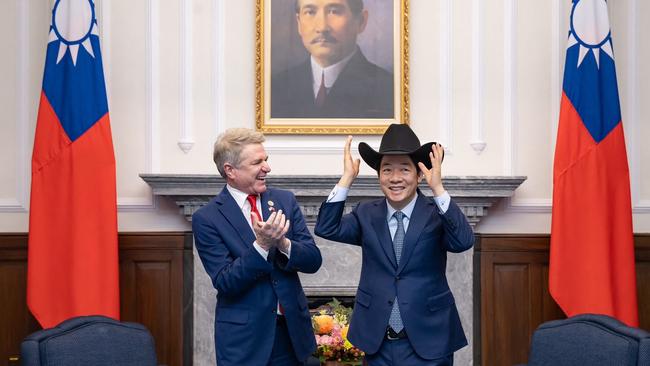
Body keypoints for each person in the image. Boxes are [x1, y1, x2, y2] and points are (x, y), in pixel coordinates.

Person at [314, 124, 474, 365]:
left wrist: (438, 189)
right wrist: (347, 179)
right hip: (377, 342)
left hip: (429, 340)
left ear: (419, 174)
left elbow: (463, 241)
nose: (395, 178)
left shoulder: (435, 213)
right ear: (379, 175)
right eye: (387, 169)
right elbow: (326, 227)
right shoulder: (366, 213)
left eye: (404, 169)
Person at [192, 128, 322, 366]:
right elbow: (225, 281)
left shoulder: (284, 200)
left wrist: (283, 243)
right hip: (245, 342)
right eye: (257, 162)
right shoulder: (207, 218)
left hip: (291, 336)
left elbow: (313, 260)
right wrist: (262, 245)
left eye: (266, 160)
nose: (267, 168)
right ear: (230, 170)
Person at [271, 0, 393, 119]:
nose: (322, 27)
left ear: (361, 21)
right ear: (299, 22)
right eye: (310, 12)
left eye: (334, 11)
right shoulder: (275, 88)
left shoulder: (387, 90)